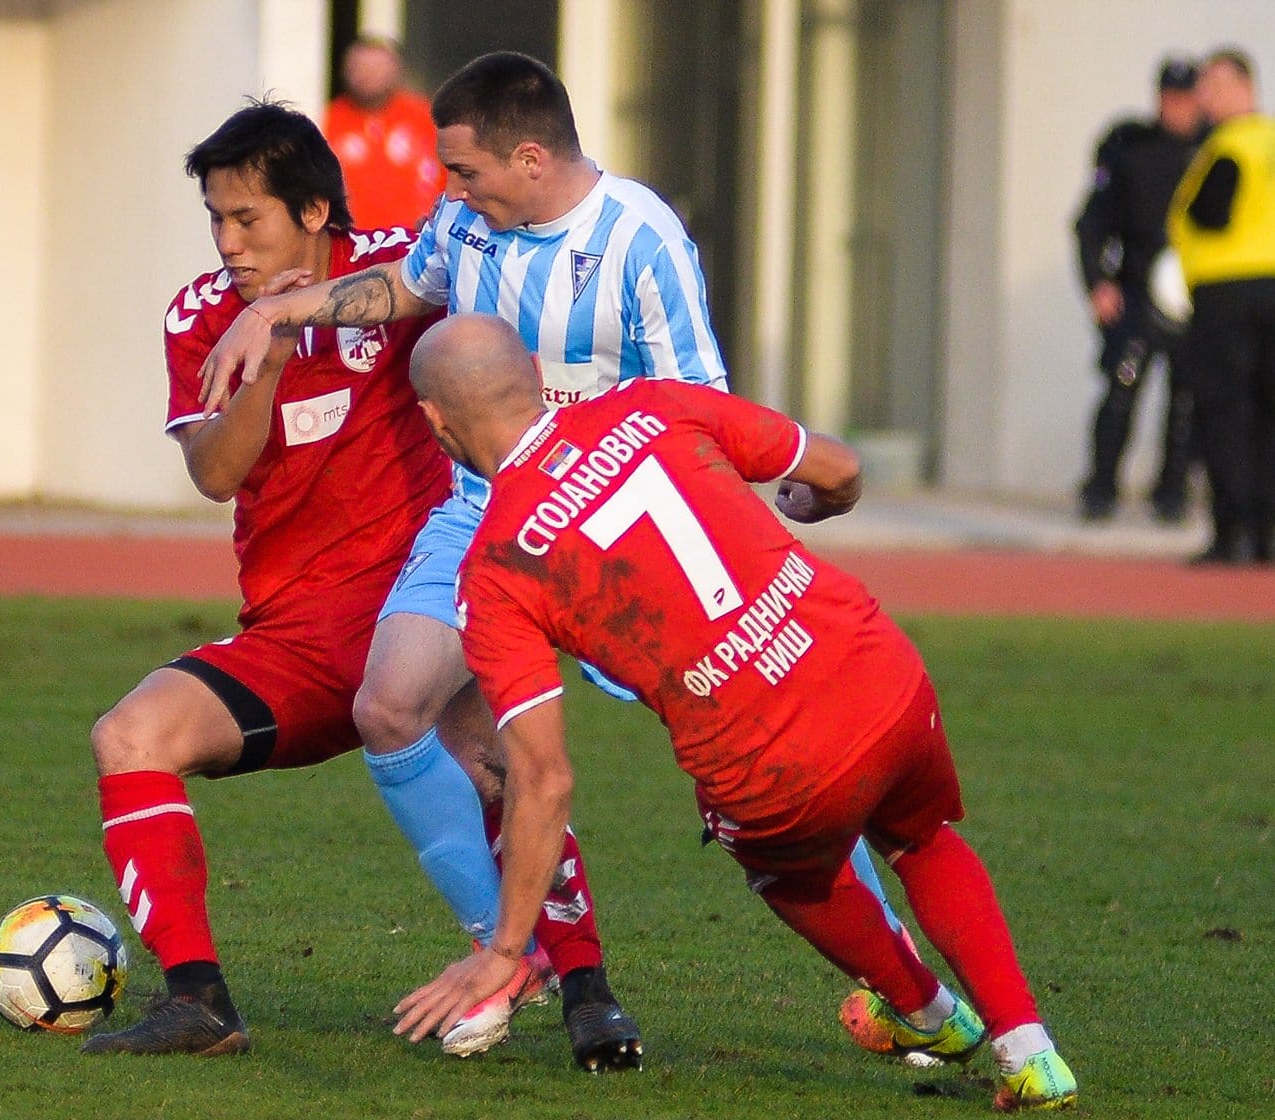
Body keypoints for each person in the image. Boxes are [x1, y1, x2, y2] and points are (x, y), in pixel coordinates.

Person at [197, 50, 914, 1072]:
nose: (445, 194)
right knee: (390, 705)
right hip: (485, 513)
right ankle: (511, 955)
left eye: (463, 172)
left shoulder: (640, 240)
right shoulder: (466, 221)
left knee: (755, 754)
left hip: (614, 528)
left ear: (529, 159)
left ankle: (904, 990)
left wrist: (755, 507)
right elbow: (407, 283)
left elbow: (692, 414)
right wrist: (279, 309)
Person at [392, 313, 1079, 1113]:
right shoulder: (650, 403)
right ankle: (1031, 1055)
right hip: (875, 670)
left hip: (770, 769)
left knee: (790, 874)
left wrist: (507, 950)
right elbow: (839, 468)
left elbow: (542, 779)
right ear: (535, 381)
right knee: (921, 838)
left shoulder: (497, 566)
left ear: (436, 422)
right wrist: (815, 502)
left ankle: (928, 1014)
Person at [79, 100, 553, 1057]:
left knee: (498, 761)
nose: (226, 242)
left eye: (245, 218)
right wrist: (268, 351)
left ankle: (574, 984)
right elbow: (214, 474)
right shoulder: (201, 315)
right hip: (294, 641)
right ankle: (199, 1004)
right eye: (214, 218)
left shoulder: (406, 268)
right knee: (130, 736)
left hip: (422, 609)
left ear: (312, 214)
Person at [1073, 56, 1205, 523]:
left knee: (1188, 403)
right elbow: (1092, 224)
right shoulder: (1130, 147)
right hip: (1137, 288)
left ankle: (1172, 494)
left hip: (1197, 297)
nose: (1178, 108)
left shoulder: (1215, 150)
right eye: (1170, 98)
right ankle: (1101, 488)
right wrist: (1098, 282)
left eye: (1187, 98)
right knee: (1122, 389)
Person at [1168, 47, 1275, 565]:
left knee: (1225, 413)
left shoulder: (1229, 146)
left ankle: (1233, 533)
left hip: (1228, 295)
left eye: (1211, 85)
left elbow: (1212, 214)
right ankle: (1269, 534)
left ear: (1241, 86)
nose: (1203, 96)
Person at [323, 35, 446, 230]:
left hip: (416, 243)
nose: (368, 75)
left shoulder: (427, 118)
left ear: (397, 70)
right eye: (360, 68)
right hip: (352, 245)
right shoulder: (326, 121)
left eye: (377, 68)